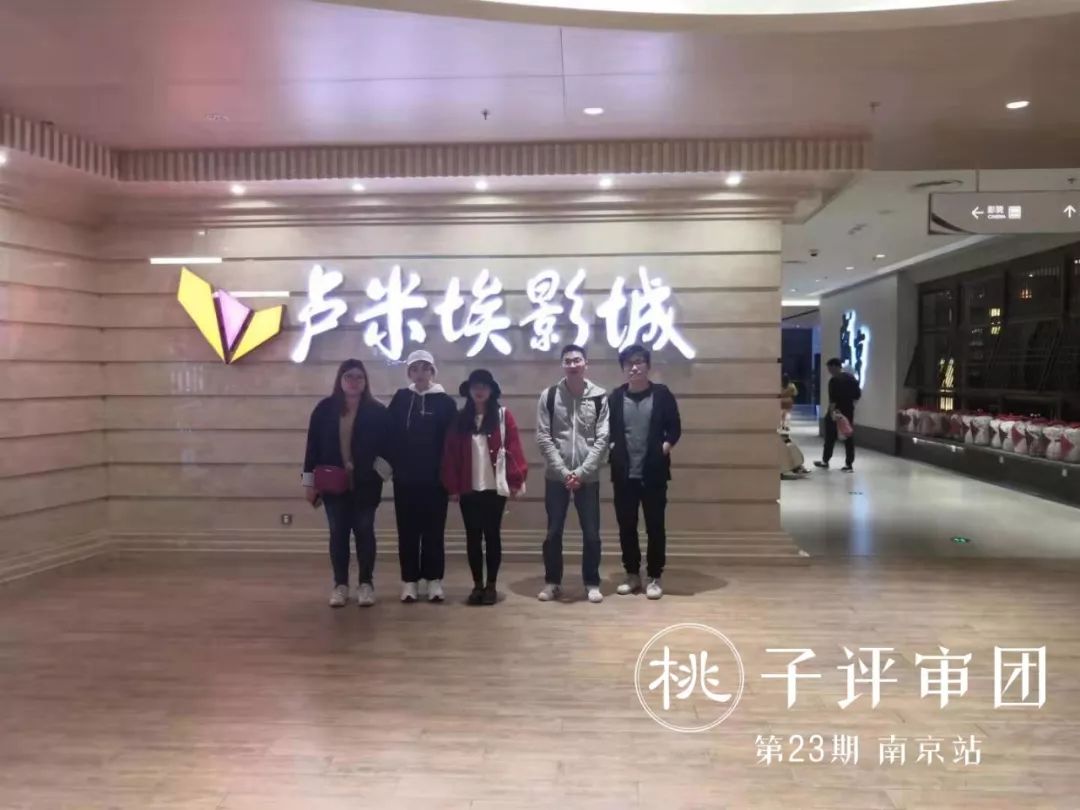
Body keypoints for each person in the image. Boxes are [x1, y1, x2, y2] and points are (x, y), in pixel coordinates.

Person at [302, 359, 388, 608]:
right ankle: (340, 585)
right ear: (340, 380)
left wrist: (379, 472)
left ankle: (366, 584)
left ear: (365, 381)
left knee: (364, 532)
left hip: (366, 485)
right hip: (332, 484)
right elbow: (312, 447)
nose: (353, 381)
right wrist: (309, 483)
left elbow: (389, 446)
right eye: (348, 376)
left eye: (359, 377)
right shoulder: (324, 409)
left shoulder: (377, 411)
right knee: (338, 533)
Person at [441, 369, 528, 606]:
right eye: (475, 386)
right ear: (469, 391)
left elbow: (514, 448)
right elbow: (450, 455)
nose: (479, 391)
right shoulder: (460, 419)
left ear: (491, 391)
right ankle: (477, 585)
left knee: (492, 535)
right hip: (468, 488)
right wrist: (452, 486)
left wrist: (516, 481)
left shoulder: (503, 416)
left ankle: (491, 585)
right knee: (472, 536)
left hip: (494, 487)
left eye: (484, 386)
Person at [535, 344, 610, 604]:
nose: (573, 364)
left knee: (591, 533)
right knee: (553, 532)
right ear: (562, 365)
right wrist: (564, 472)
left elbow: (603, 438)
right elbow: (543, 437)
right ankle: (552, 582)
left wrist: (581, 472)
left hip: (588, 478)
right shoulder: (549, 396)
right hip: (556, 477)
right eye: (568, 361)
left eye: (577, 360)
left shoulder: (599, 396)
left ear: (586, 363)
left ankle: (592, 582)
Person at [607, 345, 681, 601]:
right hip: (624, 474)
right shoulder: (616, 397)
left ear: (648, 365)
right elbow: (604, 429)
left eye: (639, 362)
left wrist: (665, 446)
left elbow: (675, 427)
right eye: (629, 363)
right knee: (626, 526)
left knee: (655, 527)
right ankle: (632, 574)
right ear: (623, 368)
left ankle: (654, 576)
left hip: (654, 473)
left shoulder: (662, 394)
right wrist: (612, 447)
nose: (634, 367)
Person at [387, 350, 457, 603]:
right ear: (409, 372)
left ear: (432, 371)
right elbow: (389, 434)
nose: (420, 373)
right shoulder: (401, 399)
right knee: (407, 531)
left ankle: (434, 580)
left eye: (425, 368)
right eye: (415, 369)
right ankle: (409, 581)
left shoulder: (446, 403)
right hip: (405, 480)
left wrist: (451, 479)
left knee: (433, 532)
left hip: (436, 481)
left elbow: (452, 443)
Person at [814, 357, 861, 473]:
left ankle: (825, 460)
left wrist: (831, 414)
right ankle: (849, 464)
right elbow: (857, 395)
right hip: (848, 411)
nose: (829, 371)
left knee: (830, 437)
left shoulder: (834, 381)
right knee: (848, 436)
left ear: (835, 367)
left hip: (836, 412)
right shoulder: (851, 378)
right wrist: (850, 406)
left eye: (830, 368)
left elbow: (833, 400)